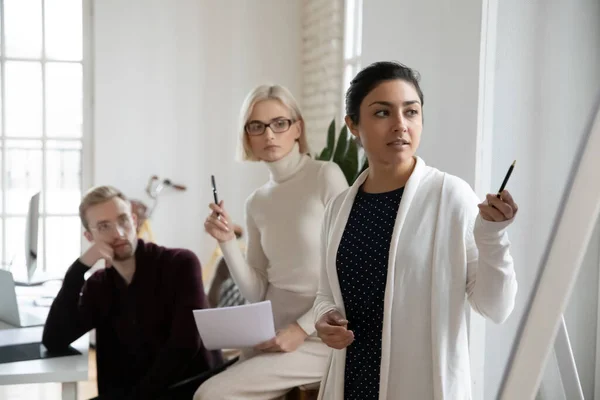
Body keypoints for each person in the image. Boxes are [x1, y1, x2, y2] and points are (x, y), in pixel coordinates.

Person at [313, 61, 519, 400]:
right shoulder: (338, 208)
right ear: (353, 124)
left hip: (422, 386)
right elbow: (325, 295)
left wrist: (493, 238)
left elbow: (495, 307)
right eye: (382, 113)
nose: (400, 125)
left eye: (411, 112)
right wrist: (325, 320)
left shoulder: (449, 196)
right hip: (350, 383)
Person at [196, 84, 349, 399]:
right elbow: (257, 290)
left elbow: (349, 268)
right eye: (257, 126)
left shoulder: (326, 176)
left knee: (210, 395)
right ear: (247, 136)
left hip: (318, 337)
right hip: (271, 334)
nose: (269, 134)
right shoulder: (257, 202)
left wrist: (301, 330)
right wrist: (226, 242)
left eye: (280, 123)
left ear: (297, 128)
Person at [42, 186, 222, 400]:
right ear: (90, 237)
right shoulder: (99, 286)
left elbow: (184, 346)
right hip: (130, 393)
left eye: (123, 220)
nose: (118, 233)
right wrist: (79, 268)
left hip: (188, 390)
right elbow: (54, 340)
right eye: (104, 226)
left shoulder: (181, 264)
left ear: (134, 221)